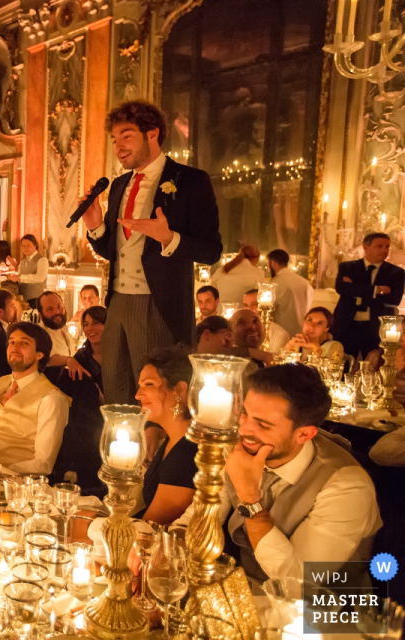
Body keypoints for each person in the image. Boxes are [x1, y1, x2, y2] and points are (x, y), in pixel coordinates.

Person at [174, 364, 382, 581]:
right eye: (244, 413)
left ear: (304, 434)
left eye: (263, 425)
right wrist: (170, 545)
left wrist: (250, 498)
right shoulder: (241, 448)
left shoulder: (348, 487)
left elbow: (297, 581)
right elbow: (203, 515)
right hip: (243, 591)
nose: (244, 429)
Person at [81, 100, 222, 404]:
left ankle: (157, 451)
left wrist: (169, 238)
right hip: (117, 303)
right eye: (115, 140)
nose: (118, 147)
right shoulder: (118, 185)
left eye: (127, 136)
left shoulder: (190, 181)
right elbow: (112, 251)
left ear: (152, 134)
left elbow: (212, 251)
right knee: (117, 396)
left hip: (158, 304)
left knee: (157, 397)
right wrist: (95, 227)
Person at [0, 322, 70, 474]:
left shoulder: (51, 398)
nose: (14, 347)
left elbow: (43, 464)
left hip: (20, 483)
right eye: (12, 342)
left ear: (39, 354)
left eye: (24, 343)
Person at [134, 348, 197, 525]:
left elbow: (152, 527)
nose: (138, 395)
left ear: (179, 388)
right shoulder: (173, 439)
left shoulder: (188, 453)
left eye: (148, 384)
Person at [333, 232, 405, 359]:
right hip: (348, 325)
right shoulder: (348, 267)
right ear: (365, 247)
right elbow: (342, 288)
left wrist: (355, 289)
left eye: (387, 247)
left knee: (374, 366)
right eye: (379, 246)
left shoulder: (396, 273)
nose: (384, 250)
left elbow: (394, 300)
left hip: (376, 329)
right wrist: (376, 290)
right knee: (342, 363)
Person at [37, 291, 89, 380]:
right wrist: (68, 360)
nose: (57, 312)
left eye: (59, 307)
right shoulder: (39, 333)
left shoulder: (64, 329)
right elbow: (47, 360)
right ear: (40, 315)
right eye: (50, 309)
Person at [268, 249, 313, 337]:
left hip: (282, 333)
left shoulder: (275, 283)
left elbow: (268, 309)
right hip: (304, 332)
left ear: (273, 263)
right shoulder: (304, 282)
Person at [9, 234, 48, 308]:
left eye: (28, 245)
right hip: (23, 300)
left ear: (35, 245)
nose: (25, 248)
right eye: (23, 246)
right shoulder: (22, 262)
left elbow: (40, 277)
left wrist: (19, 277)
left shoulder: (42, 260)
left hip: (36, 299)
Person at [74, 305, 105, 392]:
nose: (90, 328)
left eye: (96, 322)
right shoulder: (81, 357)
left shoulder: (120, 355)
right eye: (86, 324)